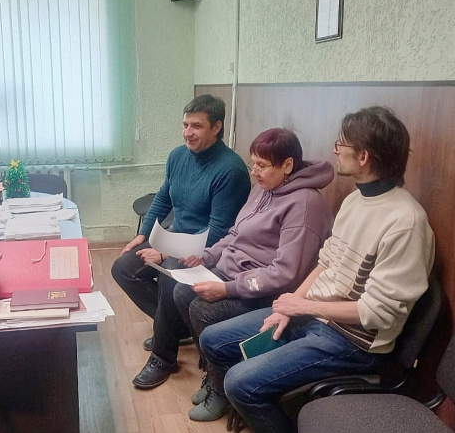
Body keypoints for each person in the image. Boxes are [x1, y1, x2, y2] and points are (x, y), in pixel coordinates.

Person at [198, 106, 435, 433]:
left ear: (363, 157)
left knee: (241, 383)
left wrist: (303, 307)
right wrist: (288, 307)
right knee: (212, 339)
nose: (335, 151)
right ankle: (255, 401)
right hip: (315, 316)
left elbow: (377, 313)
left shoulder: (405, 223)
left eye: (341, 144)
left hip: (352, 342)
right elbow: (326, 262)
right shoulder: (355, 200)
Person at [133, 129, 334, 394]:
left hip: (267, 290)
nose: (255, 172)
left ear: (287, 165)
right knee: (181, 290)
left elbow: (286, 274)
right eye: (253, 164)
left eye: (262, 165)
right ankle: (213, 368)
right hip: (234, 272)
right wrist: (207, 256)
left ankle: (220, 387)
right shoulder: (264, 189)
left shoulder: (305, 205)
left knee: (202, 309)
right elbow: (234, 234)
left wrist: (227, 289)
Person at [111, 95, 250, 353]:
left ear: (216, 127)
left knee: (169, 273)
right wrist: (143, 235)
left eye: (196, 126)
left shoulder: (231, 170)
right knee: (123, 268)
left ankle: (163, 353)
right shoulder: (177, 156)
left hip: (206, 249)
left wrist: (167, 254)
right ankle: (175, 327)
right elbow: (163, 198)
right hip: (175, 238)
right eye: (185, 125)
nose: (187, 133)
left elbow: (219, 231)